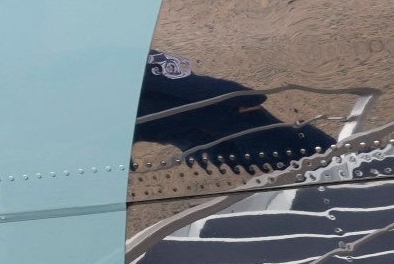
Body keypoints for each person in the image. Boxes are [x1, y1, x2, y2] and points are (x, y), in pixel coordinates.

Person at [135, 49, 333, 173]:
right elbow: (190, 86)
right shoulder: (125, 62)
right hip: (230, 127)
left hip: (203, 137)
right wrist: (243, 96)